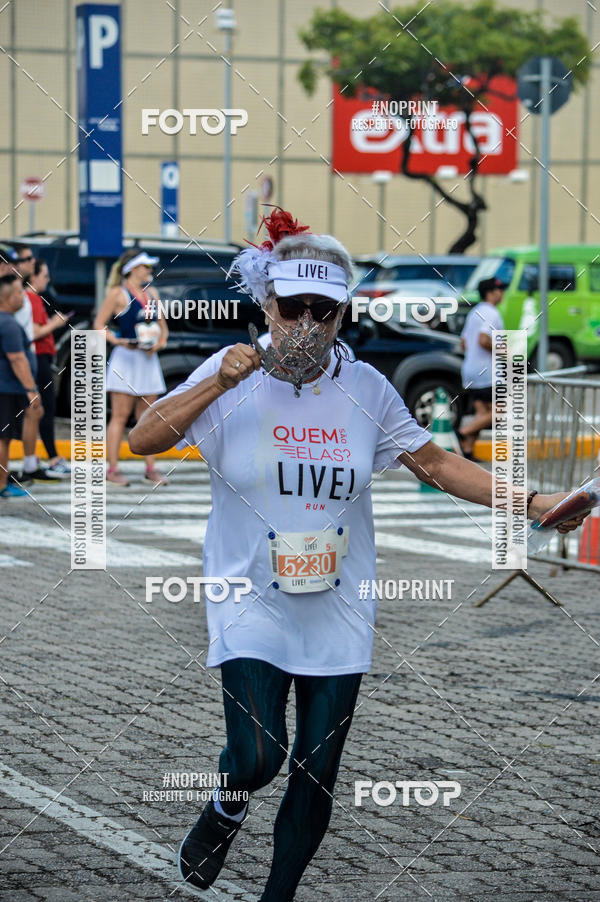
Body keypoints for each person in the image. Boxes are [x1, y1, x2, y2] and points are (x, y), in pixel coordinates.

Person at [129, 209, 587, 901]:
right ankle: (226, 803)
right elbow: (142, 439)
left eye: (324, 310)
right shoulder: (230, 376)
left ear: (342, 315)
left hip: (339, 601)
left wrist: (531, 502)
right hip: (248, 595)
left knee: (316, 771)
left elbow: (437, 464)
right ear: (267, 304)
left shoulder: (366, 387)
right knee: (257, 755)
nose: (307, 324)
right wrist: (217, 382)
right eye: (293, 308)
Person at [93, 249, 169, 486]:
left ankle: (150, 467)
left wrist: (159, 344)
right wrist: (117, 341)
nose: (150, 271)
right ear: (133, 269)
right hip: (126, 358)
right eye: (146, 267)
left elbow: (163, 327)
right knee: (119, 416)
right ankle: (113, 468)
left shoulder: (152, 293)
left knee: (148, 417)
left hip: (147, 359)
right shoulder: (118, 293)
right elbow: (99, 324)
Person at [27, 258, 73, 476]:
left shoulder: (33, 299)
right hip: (39, 357)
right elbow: (35, 332)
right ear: (33, 277)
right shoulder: (32, 299)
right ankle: (52, 457)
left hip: (41, 357)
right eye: (44, 276)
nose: (47, 280)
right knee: (45, 408)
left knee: (39, 409)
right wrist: (55, 323)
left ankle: (35, 458)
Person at [0, 273, 43, 498]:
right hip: (6, 389)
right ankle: (1, 484)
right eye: (19, 293)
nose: (22, 297)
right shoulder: (8, 324)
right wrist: (31, 389)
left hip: (6, 388)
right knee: (3, 438)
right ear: (7, 297)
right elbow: (17, 359)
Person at [457, 276, 506, 460]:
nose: (502, 294)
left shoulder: (474, 312)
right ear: (491, 293)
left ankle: (467, 450)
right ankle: (462, 432)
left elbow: (464, 343)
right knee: (499, 412)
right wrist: (505, 351)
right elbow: (483, 340)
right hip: (488, 373)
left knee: (483, 413)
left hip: (470, 370)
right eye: (499, 290)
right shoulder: (492, 313)